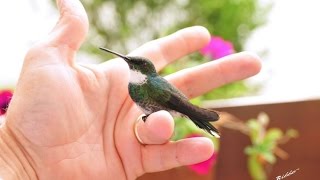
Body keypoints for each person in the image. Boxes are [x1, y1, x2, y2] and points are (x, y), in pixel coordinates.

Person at [0, 0, 261, 179]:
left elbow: (175, 104)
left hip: (170, 107)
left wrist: (21, 158)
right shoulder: (132, 86)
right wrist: (19, 151)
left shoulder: (150, 84)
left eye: (133, 62)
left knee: (179, 114)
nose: (128, 63)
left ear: (144, 70)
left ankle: (202, 120)